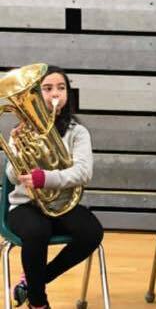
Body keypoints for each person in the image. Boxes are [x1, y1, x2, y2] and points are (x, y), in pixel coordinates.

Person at [6, 66, 103, 309]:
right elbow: (11, 175)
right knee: (37, 231)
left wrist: (44, 178)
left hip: (62, 202)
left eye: (61, 88)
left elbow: (83, 172)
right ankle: (38, 303)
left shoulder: (77, 132)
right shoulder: (21, 131)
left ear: (68, 94)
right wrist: (17, 148)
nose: (55, 93)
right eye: (47, 89)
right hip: (25, 204)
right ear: (38, 95)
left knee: (92, 232)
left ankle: (35, 280)